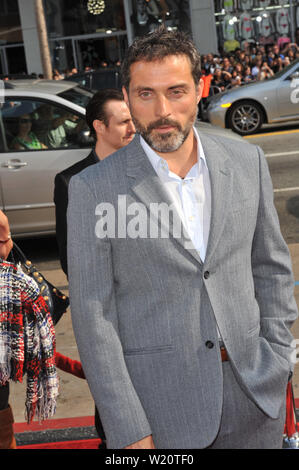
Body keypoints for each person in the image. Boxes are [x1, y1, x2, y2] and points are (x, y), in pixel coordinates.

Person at [67, 26, 298, 449]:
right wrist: (128, 428)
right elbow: (92, 315)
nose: (161, 111)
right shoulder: (92, 189)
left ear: (199, 88)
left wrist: (278, 357)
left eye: (175, 91)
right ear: (127, 94)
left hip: (256, 399)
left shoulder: (247, 161)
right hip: (160, 415)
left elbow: (271, 268)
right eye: (145, 94)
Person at [54, 88, 135, 446]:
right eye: (124, 122)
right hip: (107, 314)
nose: (133, 127)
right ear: (99, 126)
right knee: (115, 400)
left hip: (151, 306)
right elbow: (70, 257)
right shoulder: (71, 182)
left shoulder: (145, 169)